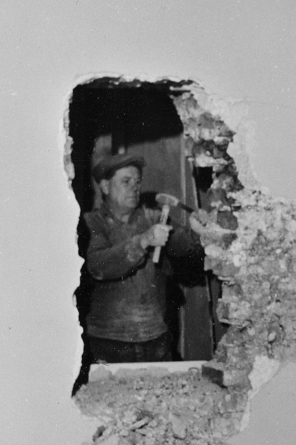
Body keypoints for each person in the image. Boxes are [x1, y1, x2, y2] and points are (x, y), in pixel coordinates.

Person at [81, 153, 208, 363]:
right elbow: (98, 266)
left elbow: (180, 244)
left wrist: (197, 233)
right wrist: (143, 240)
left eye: (138, 182)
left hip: (156, 339)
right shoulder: (92, 223)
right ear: (105, 186)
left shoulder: (153, 217)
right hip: (109, 342)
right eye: (126, 181)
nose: (135, 187)